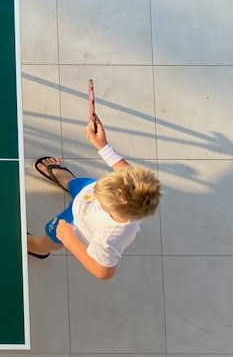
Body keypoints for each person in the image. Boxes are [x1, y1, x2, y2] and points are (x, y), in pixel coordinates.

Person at [26, 112, 160, 280]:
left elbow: (103, 272)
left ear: (112, 209)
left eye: (101, 199)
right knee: (78, 184)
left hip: (76, 222)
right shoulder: (135, 183)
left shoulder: (110, 237)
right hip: (85, 192)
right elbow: (128, 172)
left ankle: (37, 247)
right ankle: (65, 179)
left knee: (49, 236)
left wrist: (68, 239)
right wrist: (103, 145)